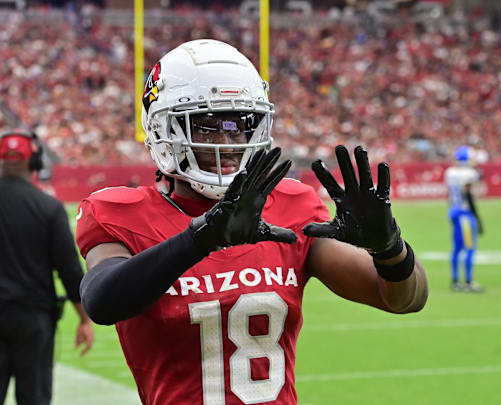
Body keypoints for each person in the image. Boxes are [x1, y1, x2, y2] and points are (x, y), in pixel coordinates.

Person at [77, 39, 428, 405]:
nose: (227, 143)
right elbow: (102, 300)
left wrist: (389, 248)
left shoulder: (288, 206)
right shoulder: (120, 213)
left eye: (239, 125)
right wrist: (199, 239)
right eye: (207, 126)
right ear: (165, 130)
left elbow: (404, 299)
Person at [0, 131, 94, 405]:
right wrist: (84, 318)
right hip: (34, 320)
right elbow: (69, 269)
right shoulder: (49, 208)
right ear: (35, 163)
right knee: (34, 399)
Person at [444, 146, 484, 292]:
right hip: (465, 214)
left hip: (454, 211)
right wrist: (478, 218)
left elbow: (449, 195)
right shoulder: (470, 173)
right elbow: (468, 195)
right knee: (469, 248)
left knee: (456, 248)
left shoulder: (449, 172)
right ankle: (468, 281)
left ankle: (455, 281)